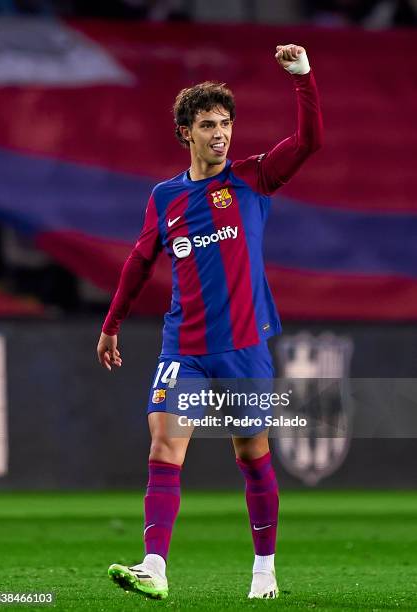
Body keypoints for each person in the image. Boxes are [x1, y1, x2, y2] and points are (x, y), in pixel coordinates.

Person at [97, 43, 323, 600]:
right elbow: (139, 261)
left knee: (252, 453)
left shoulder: (252, 180)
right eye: (207, 125)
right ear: (185, 133)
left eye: (225, 123)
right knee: (164, 442)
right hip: (185, 348)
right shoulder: (165, 198)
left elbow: (310, 142)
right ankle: (155, 566)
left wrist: (303, 78)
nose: (220, 133)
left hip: (244, 346)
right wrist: (112, 323)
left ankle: (264, 571)